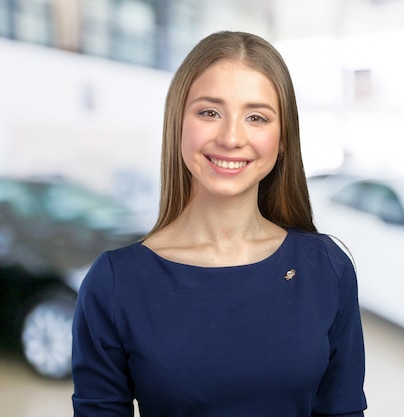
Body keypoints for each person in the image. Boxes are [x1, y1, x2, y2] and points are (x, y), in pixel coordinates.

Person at [71, 31, 367, 417]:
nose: (231, 137)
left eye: (256, 117)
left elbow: (342, 410)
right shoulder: (115, 283)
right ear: (178, 123)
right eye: (210, 112)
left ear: (282, 141)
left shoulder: (326, 267)